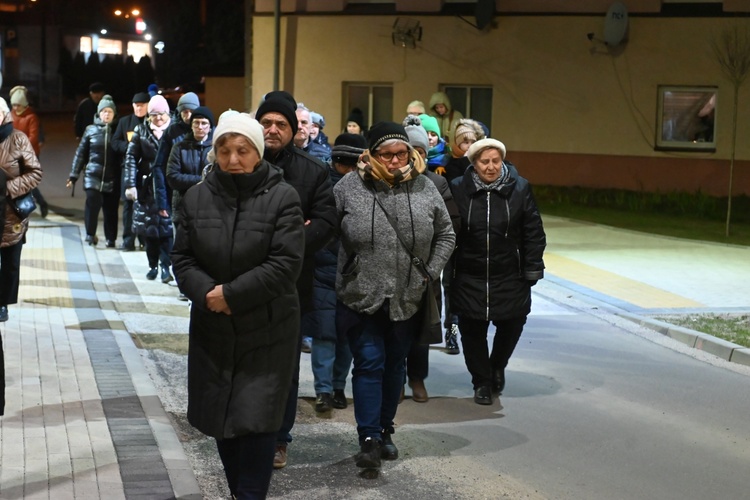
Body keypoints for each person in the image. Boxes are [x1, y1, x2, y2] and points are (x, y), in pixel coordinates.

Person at [172, 111, 305, 499]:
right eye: (225, 150)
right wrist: (208, 294)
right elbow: (181, 258)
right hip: (214, 327)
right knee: (223, 419)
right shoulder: (197, 197)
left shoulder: (283, 197)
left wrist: (231, 295)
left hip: (268, 328)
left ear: (258, 152)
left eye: (242, 150)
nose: (233, 159)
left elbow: (285, 264)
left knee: (258, 419)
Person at [334, 121, 455, 469]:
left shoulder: (425, 188)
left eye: (400, 153)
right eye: (385, 154)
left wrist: (430, 272)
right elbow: (329, 233)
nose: (394, 161)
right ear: (371, 155)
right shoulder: (348, 187)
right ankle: (369, 438)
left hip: (408, 296)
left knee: (394, 367)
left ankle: (385, 429)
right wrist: (345, 270)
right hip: (362, 294)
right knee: (370, 363)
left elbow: (446, 234)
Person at [255, 90, 337, 469]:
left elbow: (324, 223)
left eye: (280, 124)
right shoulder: (240, 162)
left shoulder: (314, 171)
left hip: (292, 284)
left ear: (293, 129)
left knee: (285, 369)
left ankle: (279, 439)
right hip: (246, 282)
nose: (272, 129)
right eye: (266, 122)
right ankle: (249, 430)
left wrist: (283, 242)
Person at [449, 138, 546, 405]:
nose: (491, 167)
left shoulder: (520, 187)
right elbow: (448, 231)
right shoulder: (458, 188)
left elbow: (533, 231)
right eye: (484, 161)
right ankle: (481, 381)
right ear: (474, 164)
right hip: (470, 273)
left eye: (496, 161)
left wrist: (532, 267)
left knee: (513, 322)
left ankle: (497, 365)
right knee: (472, 329)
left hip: (509, 272)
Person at [399, 116, 461, 403]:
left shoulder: (437, 183)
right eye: (409, 150)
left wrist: (432, 267)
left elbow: (452, 226)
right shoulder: (388, 182)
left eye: (420, 151)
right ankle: (396, 379)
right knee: (393, 330)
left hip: (425, 271)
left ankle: (417, 379)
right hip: (394, 270)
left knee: (420, 331)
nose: (415, 157)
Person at [306, 133, 365, 414]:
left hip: (355, 271)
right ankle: (324, 391)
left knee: (346, 336)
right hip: (322, 268)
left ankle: (338, 386)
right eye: (345, 163)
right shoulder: (320, 185)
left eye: (355, 164)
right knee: (324, 334)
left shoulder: (369, 187)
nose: (350, 170)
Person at [0, 97, 43, 323]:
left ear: (5, 114)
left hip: (10, 213)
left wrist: (8, 187)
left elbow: (35, 172)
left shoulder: (18, 139)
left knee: (9, 264)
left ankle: (3, 303)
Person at [123, 95, 174, 283]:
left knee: (167, 230)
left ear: (167, 113)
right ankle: (153, 265)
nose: (158, 118)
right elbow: (130, 158)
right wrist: (130, 184)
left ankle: (166, 266)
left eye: (161, 114)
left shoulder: (174, 131)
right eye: (153, 115)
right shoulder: (141, 130)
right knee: (150, 231)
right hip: (147, 187)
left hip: (168, 186)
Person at [67, 94, 120, 247]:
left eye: (110, 112)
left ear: (114, 114)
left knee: (111, 209)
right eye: (104, 111)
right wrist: (73, 175)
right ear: (99, 113)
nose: (107, 114)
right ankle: (90, 234)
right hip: (93, 175)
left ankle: (111, 238)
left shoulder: (118, 131)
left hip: (112, 176)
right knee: (92, 202)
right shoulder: (90, 130)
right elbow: (81, 153)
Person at [112, 91, 151, 251]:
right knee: (128, 206)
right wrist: (130, 148)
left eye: (141, 106)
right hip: (128, 170)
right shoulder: (125, 122)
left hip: (146, 172)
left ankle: (145, 240)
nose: (138, 108)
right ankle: (128, 240)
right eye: (136, 105)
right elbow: (115, 142)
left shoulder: (151, 123)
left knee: (145, 205)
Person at [9, 86, 49, 218]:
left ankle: (41, 203)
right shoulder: (11, 115)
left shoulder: (32, 117)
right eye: (14, 105)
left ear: (24, 104)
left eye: (18, 105)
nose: (16, 108)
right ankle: (23, 209)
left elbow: (33, 137)